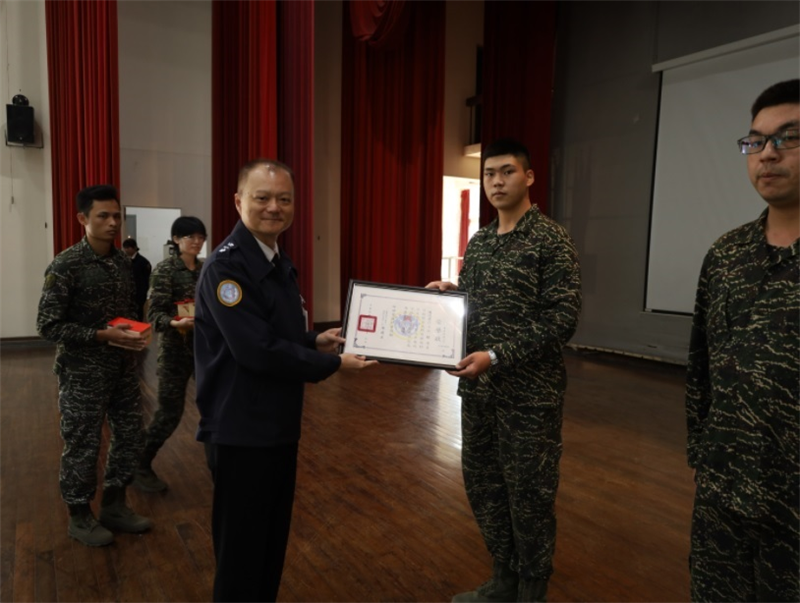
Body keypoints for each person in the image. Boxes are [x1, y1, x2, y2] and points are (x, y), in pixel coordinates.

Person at [194, 159, 377, 602]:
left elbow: (275, 332)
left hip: (275, 425)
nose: (274, 207)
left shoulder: (275, 260)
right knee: (242, 554)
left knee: (269, 543)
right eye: (262, 198)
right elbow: (255, 349)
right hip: (241, 430)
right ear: (238, 201)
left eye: (284, 199)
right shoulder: (226, 268)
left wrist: (316, 340)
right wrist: (334, 365)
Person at [428, 139, 581, 603]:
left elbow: (562, 318)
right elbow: (475, 304)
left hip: (529, 398)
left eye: (507, 172)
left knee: (530, 496)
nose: (496, 181)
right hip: (479, 394)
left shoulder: (551, 240)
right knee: (485, 487)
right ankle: (503, 579)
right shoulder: (480, 242)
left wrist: (496, 356)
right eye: (489, 173)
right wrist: (451, 295)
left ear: (528, 177)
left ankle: (532, 590)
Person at [685, 79, 799, 602]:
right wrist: (702, 455)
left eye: (788, 137)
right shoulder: (727, 255)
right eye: (756, 141)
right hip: (724, 488)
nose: (768, 153)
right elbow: (701, 366)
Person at [36, 184, 153, 547]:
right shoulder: (65, 265)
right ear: (82, 219)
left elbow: (125, 312)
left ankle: (115, 505)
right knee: (83, 443)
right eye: (103, 216)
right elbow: (48, 326)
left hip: (122, 369)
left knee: (130, 435)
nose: (113, 222)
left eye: (116, 216)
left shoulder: (122, 263)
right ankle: (79, 515)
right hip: (82, 374)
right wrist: (101, 335)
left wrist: (135, 333)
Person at [133, 217, 207, 492]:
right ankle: (140, 464)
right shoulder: (165, 270)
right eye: (190, 237)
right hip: (175, 351)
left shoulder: (206, 269)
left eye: (200, 237)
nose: (197, 242)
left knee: (214, 407)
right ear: (176, 239)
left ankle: (220, 464)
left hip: (205, 351)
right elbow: (154, 314)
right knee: (169, 413)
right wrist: (176, 323)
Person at [122, 238, 151, 321]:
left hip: (139, 293)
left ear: (133, 248)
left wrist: (143, 292)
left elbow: (146, 279)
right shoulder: (124, 260)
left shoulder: (143, 262)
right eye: (125, 248)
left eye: (127, 248)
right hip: (127, 293)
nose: (125, 250)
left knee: (138, 312)